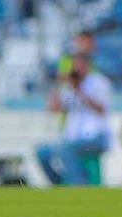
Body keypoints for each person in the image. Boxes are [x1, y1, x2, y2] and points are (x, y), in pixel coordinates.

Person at [37, 52, 113, 186]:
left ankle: (78, 184)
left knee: (66, 149)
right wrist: (59, 85)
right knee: (43, 152)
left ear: (86, 66)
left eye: (79, 65)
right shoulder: (68, 86)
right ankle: (60, 183)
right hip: (72, 138)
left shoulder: (98, 82)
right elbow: (53, 108)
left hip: (95, 137)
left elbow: (101, 109)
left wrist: (80, 91)